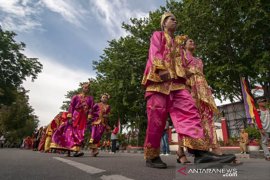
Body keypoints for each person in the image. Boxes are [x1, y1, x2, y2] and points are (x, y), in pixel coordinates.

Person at [141, 12, 236, 168]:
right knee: (156, 120)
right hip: (159, 82)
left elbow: (183, 65)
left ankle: (200, 153)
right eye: (171, 19)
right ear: (164, 23)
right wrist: (160, 69)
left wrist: (190, 75)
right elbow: (155, 52)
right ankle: (152, 156)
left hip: (178, 84)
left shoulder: (179, 45)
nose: (175, 20)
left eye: (175, 19)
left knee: (190, 112)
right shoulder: (158, 35)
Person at [52, 82, 96, 157]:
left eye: (88, 88)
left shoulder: (90, 98)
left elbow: (91, 109)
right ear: (82, 88)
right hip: (75, 116)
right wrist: (69, 117)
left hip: (83, 118)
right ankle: (69, 151)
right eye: (85, 87)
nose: (86, 89)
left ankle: (76, 150)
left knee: (80, 133)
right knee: (69, 132)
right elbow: (71, 106)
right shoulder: (76, 97)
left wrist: (89, 117)